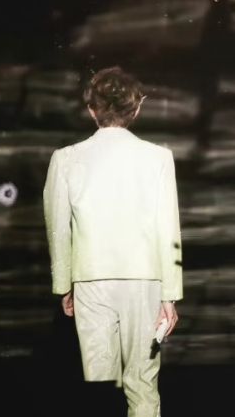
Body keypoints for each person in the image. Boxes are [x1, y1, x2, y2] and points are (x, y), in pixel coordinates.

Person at [44, 66, 183, 417]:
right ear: (137, 107)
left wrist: (64, 286)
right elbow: (169, 230)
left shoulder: (66, 159)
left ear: (91, 109)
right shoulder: (158, 158)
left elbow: (58, 228)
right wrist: (170, 295)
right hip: (145, 282)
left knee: (100, 385)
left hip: (91, 281)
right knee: (142, 383)